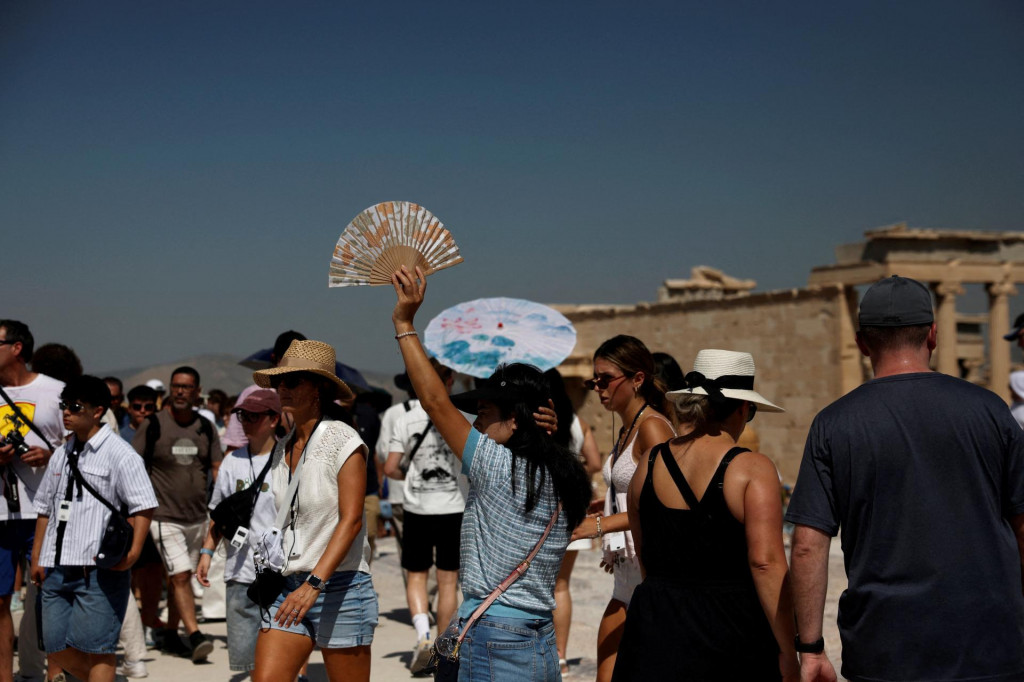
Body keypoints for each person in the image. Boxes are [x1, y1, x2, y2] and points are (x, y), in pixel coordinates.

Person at [788, 275, 1024, 682]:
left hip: (884, 647)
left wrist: (810, 648)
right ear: (933, 334)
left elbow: (808, 546)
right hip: (989, 641)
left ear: (863, 343)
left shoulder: (833, 424)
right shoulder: (991, 410)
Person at [390, 266, 591, 681]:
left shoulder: (496, 465)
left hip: (494, 632)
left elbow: (433, 400)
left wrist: (404, 323)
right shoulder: (564, 474)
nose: (476, 425)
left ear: (515, 420)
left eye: (483, 413)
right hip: (539, 636)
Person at [611, 349, 797, 681]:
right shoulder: (752, 468)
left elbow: (645, 552)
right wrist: (789, 650)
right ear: (743, 408)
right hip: (730, 631)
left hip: (656, 627)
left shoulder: (650, 462)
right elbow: (766, 562)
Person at [251, 340, 377, 682]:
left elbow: (351, 520)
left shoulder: (342, 439)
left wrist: (314, 584)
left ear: (318, 387)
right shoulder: (281, 449)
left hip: (341, 588)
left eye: (293, 381)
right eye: (280, 382)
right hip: (288, 586)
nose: (283, 389)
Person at [29, 376, 157, 682]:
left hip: (98, 569)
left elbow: (144, 506)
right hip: (57, 567)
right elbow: (45, 508)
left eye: (75, 407)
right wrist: (37, 557)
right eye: (64, 406)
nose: (66, 413)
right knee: (53, 645)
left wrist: (134, 553)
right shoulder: (62, 452)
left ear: (98, 411)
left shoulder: (121, 454)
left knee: (98, 649)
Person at [570, 335, 676, 682]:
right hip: (626, 577)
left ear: (638, 379)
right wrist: (610, 503)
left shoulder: (653, 428)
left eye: (605, 379)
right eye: (593, 381)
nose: (598, 389)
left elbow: (666, 506)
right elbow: (635, 488)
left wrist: (599, 526)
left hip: (653, 575)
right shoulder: (627, 427)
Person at [130, 366, 221, 661]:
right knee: (180, 575)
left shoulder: (205, 427)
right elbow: (133, 466)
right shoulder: (153, 424)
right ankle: (195, 636)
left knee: (179, 578)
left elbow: (216, 468)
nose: (180, 391)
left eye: (187, 387)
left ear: (197, 391)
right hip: (162, 516)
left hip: (197, 517)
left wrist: (222, 505)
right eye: (176, 386)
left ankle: (170, 634)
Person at [383, 359, 466, 674]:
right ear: (449, 379)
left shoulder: (405, 419)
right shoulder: (462, 414)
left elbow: (391, 467)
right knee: (448, 582)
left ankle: (422, 636)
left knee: (416, 576)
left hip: (417, 508)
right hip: (453, 507)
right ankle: (445, 650)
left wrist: (414, 475)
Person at [197, 389, 282, 678]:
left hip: (278, 570)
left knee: (280, 646)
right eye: (243, 414)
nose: (246, 421)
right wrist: (207, 553)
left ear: (274, 419)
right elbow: (217, 515)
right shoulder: (232, 462)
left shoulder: (288, 460)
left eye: (254, 416)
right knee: (246, 659)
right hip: (238, 569)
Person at [0, 320, 62, 682]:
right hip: (0, 515)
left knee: (52, 597)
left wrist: (49, 455)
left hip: (44, 512)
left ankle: (55, 675)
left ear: (17, 347)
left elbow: (80, 452)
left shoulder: (55, 392)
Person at [545, 368, 601, 677]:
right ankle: (562, 656)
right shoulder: (578, 423)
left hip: (543, 514)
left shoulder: (540, 422)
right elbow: (594, 462)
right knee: (562, 586)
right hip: (573, 511)